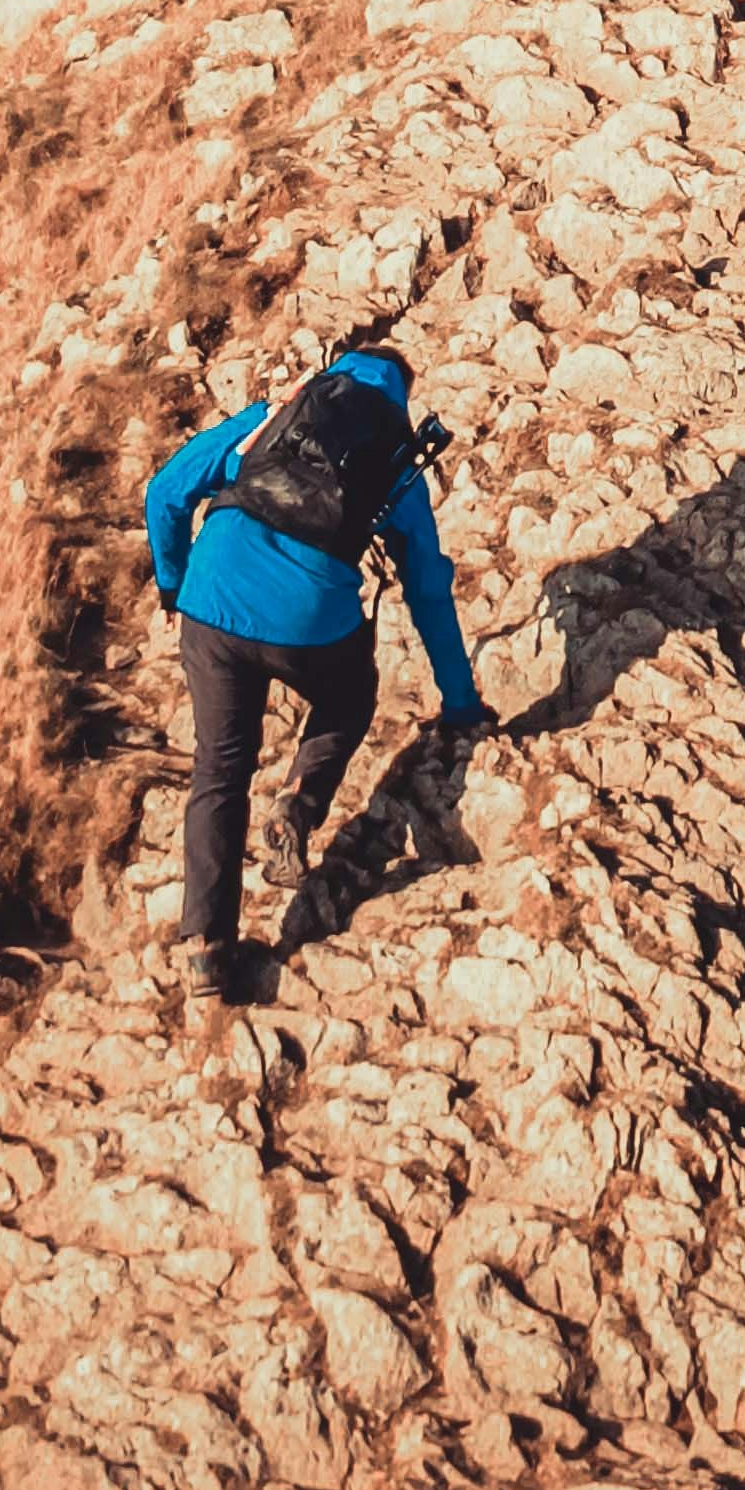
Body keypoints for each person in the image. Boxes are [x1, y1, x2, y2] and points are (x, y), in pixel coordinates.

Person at [145, 332, 487, 1002]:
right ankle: (297, 810)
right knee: (350, 696)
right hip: (309, 620)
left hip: (211, 601)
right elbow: (426, 589)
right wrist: (461, 702)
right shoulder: (396, 455)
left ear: (338, 369)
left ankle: (205, 950)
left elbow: (166, 491)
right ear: (402, 392)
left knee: (219, 769)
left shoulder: (279, 410)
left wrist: (173, 581)